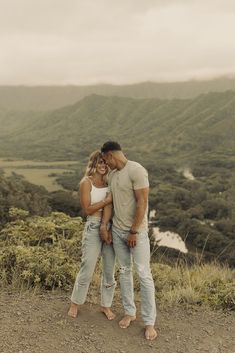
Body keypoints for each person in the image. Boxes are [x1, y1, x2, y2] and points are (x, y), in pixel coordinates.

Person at [100, 141, 157, 340]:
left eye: (106, 160)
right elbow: (110, 203)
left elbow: (143, 202)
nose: (105, 165)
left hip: (137, 233)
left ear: (110, 156)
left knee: (143, 274)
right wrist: (105, 226)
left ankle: (149, 322)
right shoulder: (113, 175)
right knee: (124, 272)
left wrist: (133, 231)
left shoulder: (137, 170)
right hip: (117, 231)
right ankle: (130, 313)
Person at [68, 150, 116, 320]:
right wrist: (105, 201)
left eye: (105, 163)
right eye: (99, 162)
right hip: (93, 226)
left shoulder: (111, 181)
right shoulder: (86, 182)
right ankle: (75, 303)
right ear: (93, 164)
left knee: (109, 270)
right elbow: (87, 209)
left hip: (110, 226)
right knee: (87, 267)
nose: (103, 166)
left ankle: (106, 305)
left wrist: (107, 224)